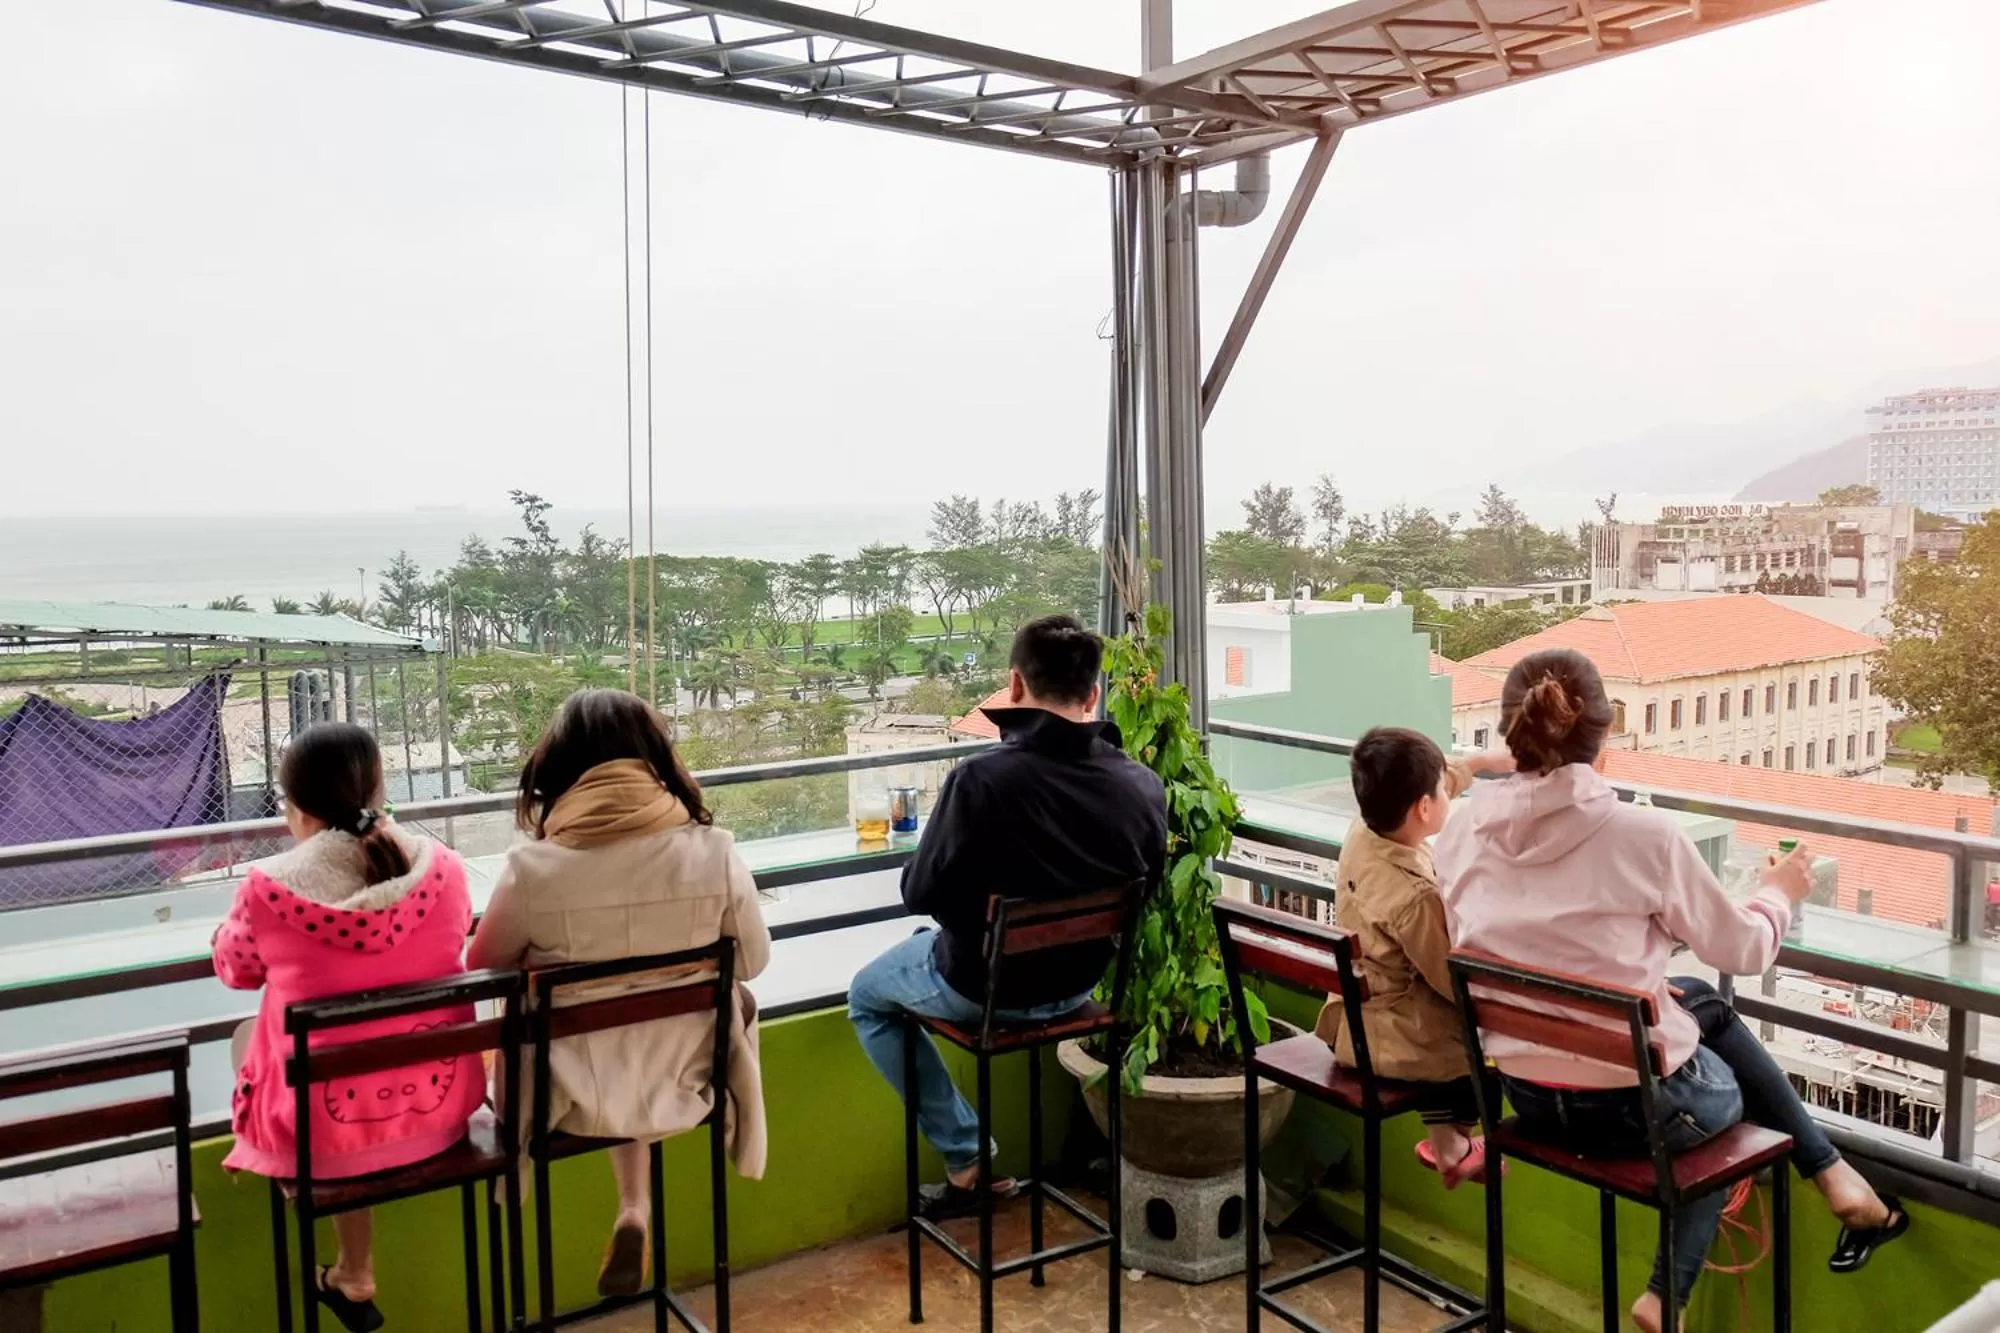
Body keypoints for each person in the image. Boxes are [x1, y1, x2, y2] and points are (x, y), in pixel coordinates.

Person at [1437, 648, 1909, 1333]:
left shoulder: (1459, 829)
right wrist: (1778, 894)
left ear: (1513, 736)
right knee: (1728, 1092)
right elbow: (1743, 949)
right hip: (1639, 1114)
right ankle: (1673, 1292)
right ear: (1603, 739)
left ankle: (1839, 1181)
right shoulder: (1645, 835)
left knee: (1692, 998)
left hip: (1528, 1100)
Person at [848, 614, 1166, 1217]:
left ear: (1014, 685)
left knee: (868, 995)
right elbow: (1141, 892)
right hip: (1080, 990)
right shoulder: (1143, 784)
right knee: (931, 944)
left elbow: (918, 891)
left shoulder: (980, 780)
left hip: (984, 991)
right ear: (1094, 694)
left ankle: (967, 1157)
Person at [467, 688, 770, 1298]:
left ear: (562, 768)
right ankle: (635, 1209)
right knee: (638, 1037)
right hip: (684, 1078)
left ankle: (630, 1211)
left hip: (567, 1097)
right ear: (655, 757)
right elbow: (755, 962)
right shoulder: (713, 852)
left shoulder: (535, 870)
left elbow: (482, 965)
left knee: (586, 1034)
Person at [213, 723, 486, 1333]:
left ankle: (354, 1272)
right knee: (365, 1048)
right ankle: (352, 1273)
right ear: (378, 787)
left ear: (294, 805)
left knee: (265, 1043)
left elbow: (235, 970)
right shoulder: (443, 869)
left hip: (319, 1141)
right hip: (438, 1117)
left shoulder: (268, 888)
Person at [1315, 727, 1513, 1188]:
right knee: (1481, 1045)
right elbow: (1451, 982)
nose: (1449, 790)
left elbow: (1427, 779)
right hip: (1389, 1042)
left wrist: (1481, 763)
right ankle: (1451, 1145)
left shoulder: (1363, 832)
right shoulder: (1415, 897)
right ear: (1424, 807)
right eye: (1443, 790)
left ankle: (1446, 1138)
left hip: (1349, 1019)